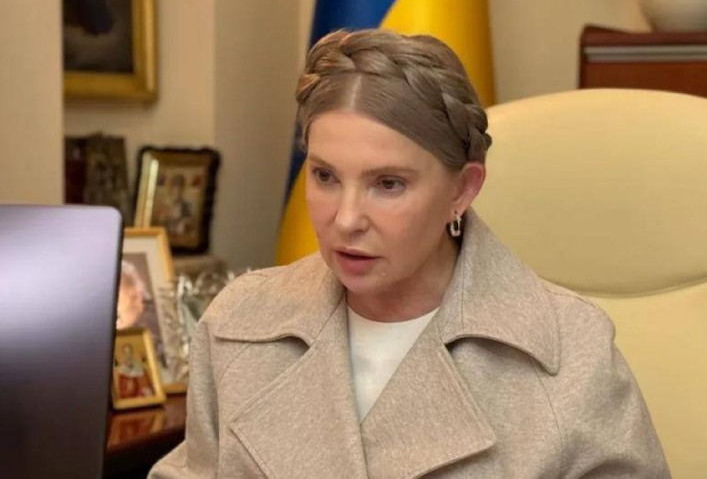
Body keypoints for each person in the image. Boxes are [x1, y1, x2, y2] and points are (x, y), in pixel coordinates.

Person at [149, 29, 670, 478]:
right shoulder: (240, 324)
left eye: (388, 184)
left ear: (462, 190)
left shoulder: (574, 355)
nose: (346, 219)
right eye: (325, 176)